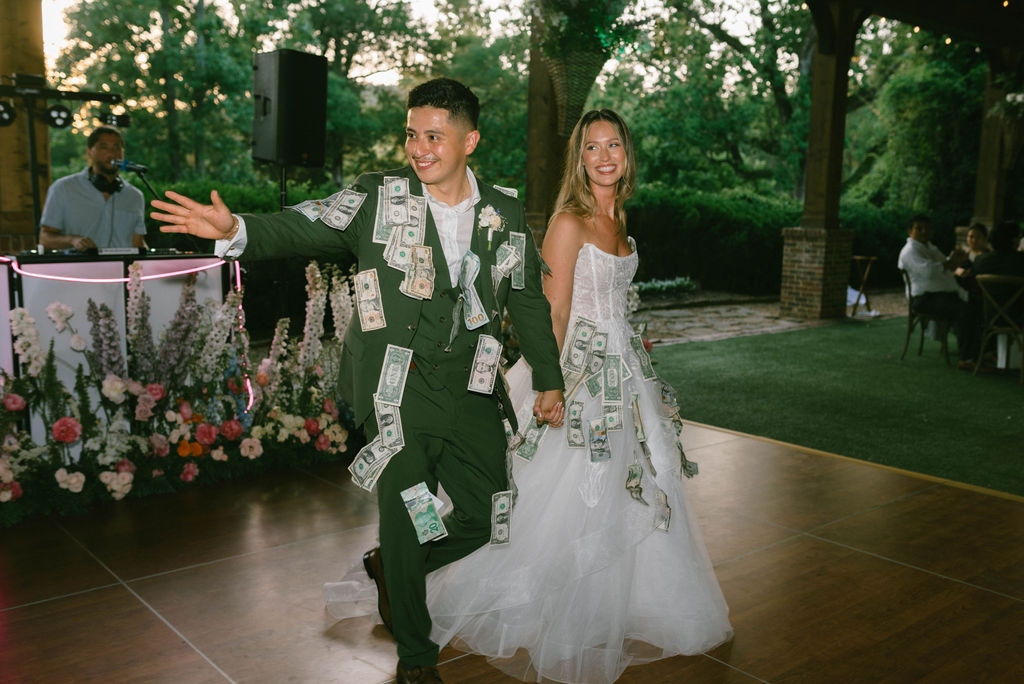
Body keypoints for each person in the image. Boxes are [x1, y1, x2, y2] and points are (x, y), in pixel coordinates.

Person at [152, 78, 566, 684]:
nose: (418, 148)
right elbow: (302, 227)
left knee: (489, 511)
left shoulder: (502, 211)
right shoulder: (378, 198)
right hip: (397, 388)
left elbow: (526, 299)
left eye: (434, 136)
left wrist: (550, 377)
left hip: (472, 385)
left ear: (469, 140)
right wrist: (234, 229)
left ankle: (391, 566)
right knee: (405, 508)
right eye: (410, 135)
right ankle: (417, 658)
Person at [415, 109, 733, 683]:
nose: (604, 156)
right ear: (579, 159)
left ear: (626, 154)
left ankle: (635, 602)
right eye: (592, 148)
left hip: (626, 373)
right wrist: (547, 383)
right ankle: (436, 576)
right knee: (559, 494)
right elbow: (551, 310)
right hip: (577, 370)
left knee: (646, 478)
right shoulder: (570, 221)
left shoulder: (621, 218)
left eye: (614, 146)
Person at [40, 125, 148, 251]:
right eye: (104, 147)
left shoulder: (135, 196)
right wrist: (73, 240)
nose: (112, 153)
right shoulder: (63, 188)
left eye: (117, 148)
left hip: (122, 270)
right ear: (89, 152)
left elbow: (138, 244)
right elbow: (45, 238)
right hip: (79, 269)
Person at [897, 214, 980, 369]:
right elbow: (929, 271)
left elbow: (946, 262)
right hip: (923, 299)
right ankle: (966, 359)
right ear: (910, 231)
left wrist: (956, 260)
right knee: (964, 309)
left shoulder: (930, 247)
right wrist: (950, 263)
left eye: (927, 228)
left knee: (977, 304)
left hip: (941, 294)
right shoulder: (909, 251)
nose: (923, 231)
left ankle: (980, 353)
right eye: (919, 228)